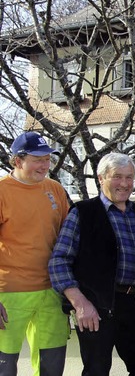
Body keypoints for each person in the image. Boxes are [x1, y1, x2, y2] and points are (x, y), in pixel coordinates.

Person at [48, 152, 135, 375]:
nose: (125, 183)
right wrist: (80, 304)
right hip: (96, 308)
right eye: (117, 177)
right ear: (101, 178)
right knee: (96, 371)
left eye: (129, 177)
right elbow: (59, 262)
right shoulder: (83, 212)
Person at [0, 131, 70, 376]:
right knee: (4, 369)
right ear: (18, 161)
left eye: (48, 159)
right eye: (38, 159)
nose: (45, 165)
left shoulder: (56, 189)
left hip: (51, 292)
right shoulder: (1, 191)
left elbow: (69, 239)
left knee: (51, 368)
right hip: (9, 295)